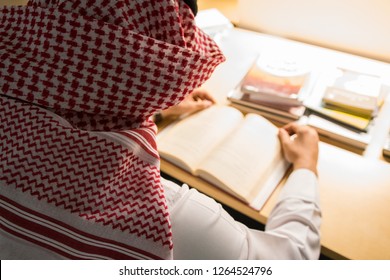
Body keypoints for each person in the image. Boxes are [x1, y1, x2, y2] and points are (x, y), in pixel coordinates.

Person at [0, 0, 321, 260]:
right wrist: (305, 169)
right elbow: (291, 259)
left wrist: (136, 105)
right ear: (164, 75)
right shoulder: (171, 221)